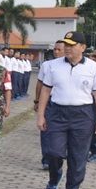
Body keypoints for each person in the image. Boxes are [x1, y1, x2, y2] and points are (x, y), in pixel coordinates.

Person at [36, 31, 96, 189]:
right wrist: (41, 114)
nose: (66, 48)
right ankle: (55, 176)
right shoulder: (53, 66)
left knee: (78, 158)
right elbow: (45, 90)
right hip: (57, 113)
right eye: (65, 45)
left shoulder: (92, 67)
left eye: (71, 45)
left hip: (83, 116)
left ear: (82, 47)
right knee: (53, 152)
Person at [34, 40, 65, 169]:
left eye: (59, 49)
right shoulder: (47, 65)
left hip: (63, 102)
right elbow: (40, 84)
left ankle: (59, 156)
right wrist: (37, 101)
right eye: (55, 49)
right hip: (48, 101)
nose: (56, 52)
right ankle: (46, 159)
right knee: (46, 131)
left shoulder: (70, 66)